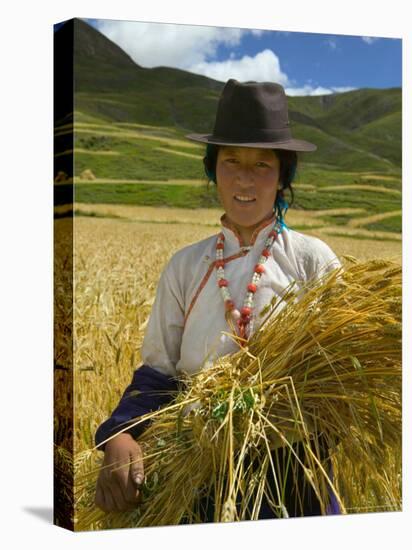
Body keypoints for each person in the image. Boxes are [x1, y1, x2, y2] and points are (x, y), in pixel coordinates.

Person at [94, 79, 342, 519]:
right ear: (213, 170)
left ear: (283, 174)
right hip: (199, 477)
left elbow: (341, 376)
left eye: (262, 164)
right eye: (231, 161)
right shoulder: (187, 267)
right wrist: (121, 434)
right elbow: (158, 372)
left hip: (295, 475)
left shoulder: (312, 261)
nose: (245, 178)